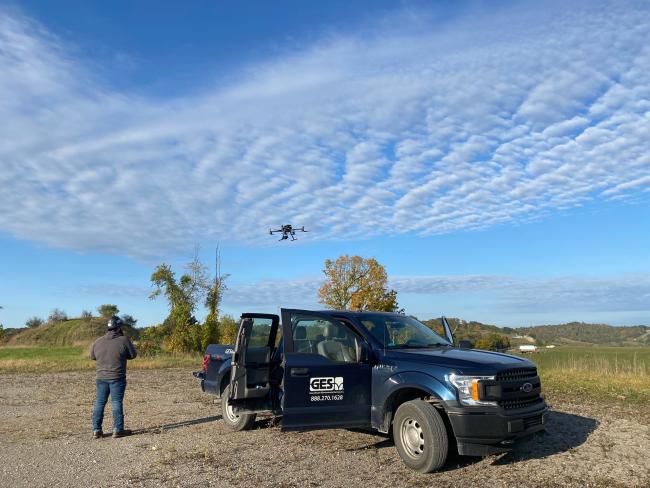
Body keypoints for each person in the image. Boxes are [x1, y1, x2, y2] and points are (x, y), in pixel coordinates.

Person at [90, 315, 137, 438]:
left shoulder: (98, 341)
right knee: (116, 402)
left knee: (99, 403)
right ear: (119, 327)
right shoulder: (124, 340)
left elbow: (93, 357)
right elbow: (133, 355)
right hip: (117, 377)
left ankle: (96, 430)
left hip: (101, 377)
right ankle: (118, 429)